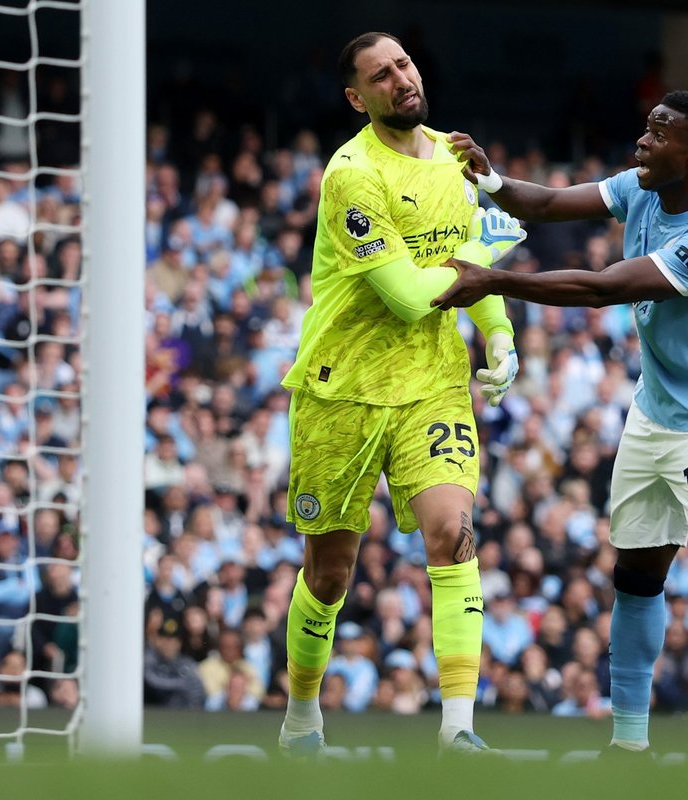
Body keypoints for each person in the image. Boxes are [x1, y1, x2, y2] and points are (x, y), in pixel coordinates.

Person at [432, 90, 688, 759]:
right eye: (647, 127)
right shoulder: (640, 189)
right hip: (653, 413)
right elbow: (540, 204)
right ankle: (629, 744)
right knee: (634, 577)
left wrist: (493, 281)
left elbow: (603, 289)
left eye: (662, 133)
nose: (644, 141)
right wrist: (488, 180)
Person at [276, 31, 526, 758]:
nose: (400, 80)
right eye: (380, 76)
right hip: (342, 390)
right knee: (329, 575)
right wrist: (487, 253)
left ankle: (457, 729)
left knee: (454, 533)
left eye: (405, 65)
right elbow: (414, 296)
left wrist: (499, 334)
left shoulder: (454, 154)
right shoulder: (352, 176)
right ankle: (301, 718)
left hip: (434, 386)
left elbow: (465, 270)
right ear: (358, 98)